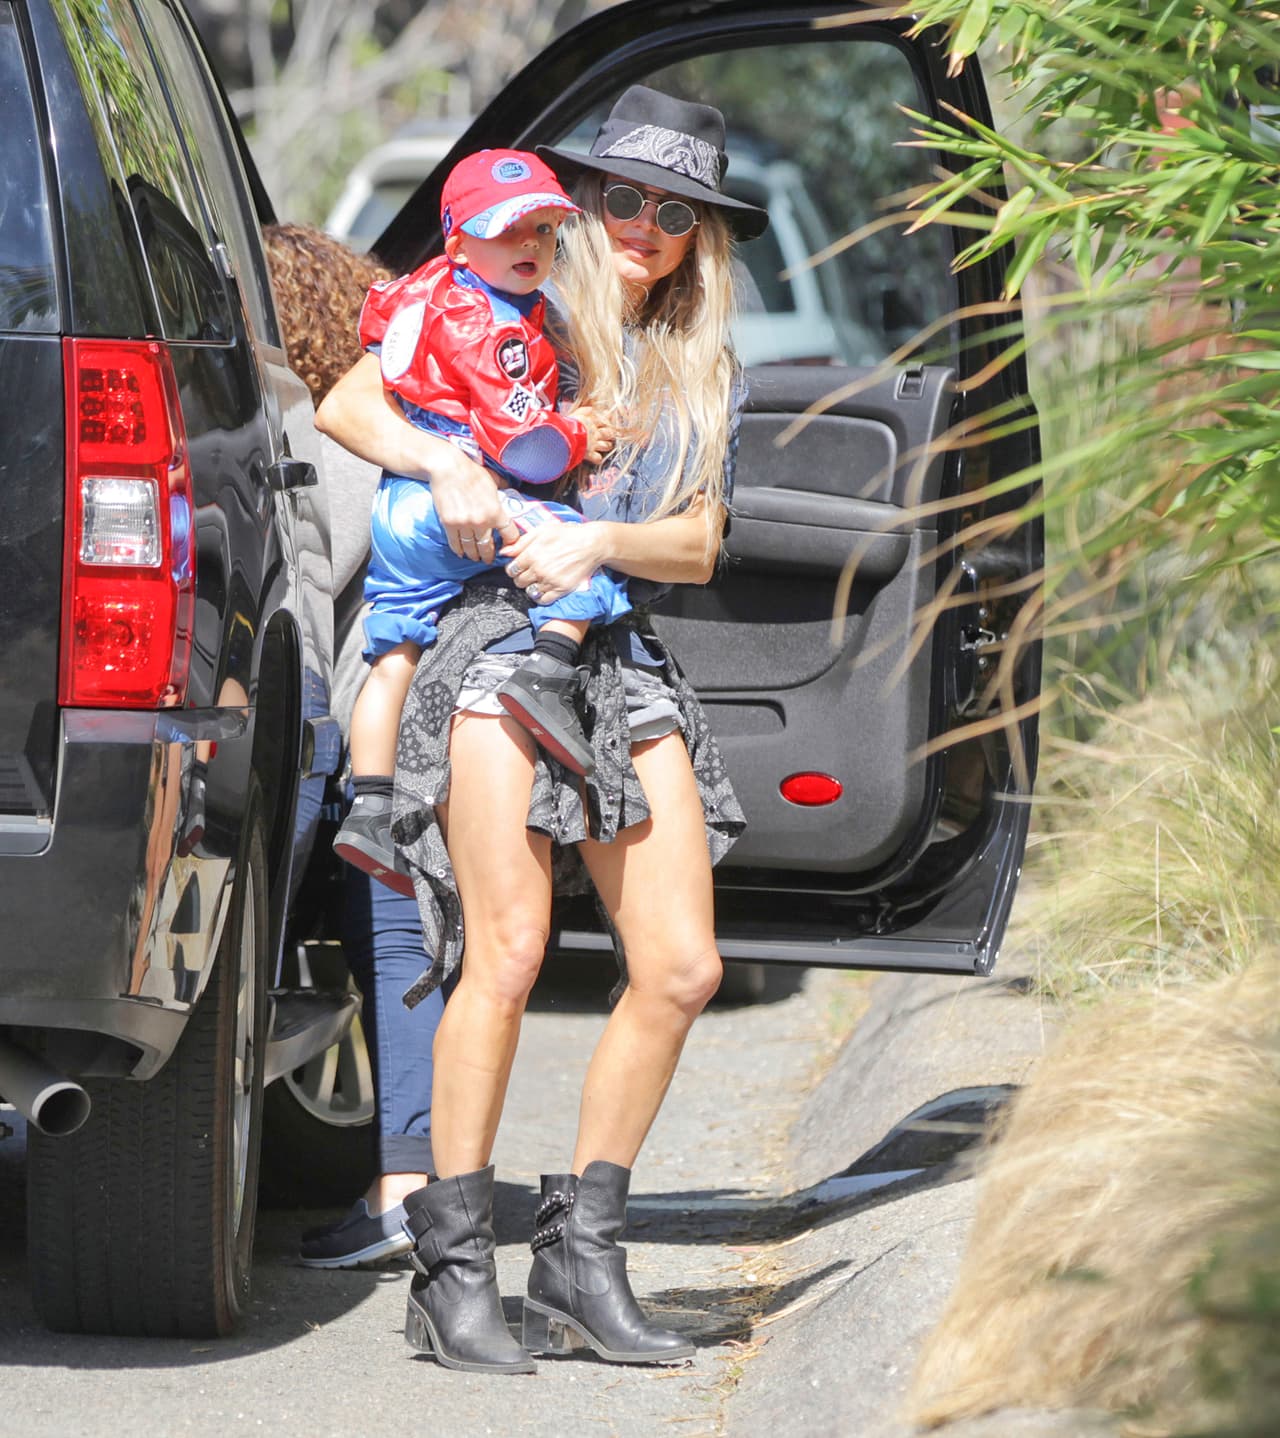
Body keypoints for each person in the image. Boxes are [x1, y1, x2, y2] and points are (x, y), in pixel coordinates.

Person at [316, 84, 769, 1375]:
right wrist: (442, 463)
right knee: (505, 953)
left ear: (698, 235)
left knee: (680, 965)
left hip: (615, 651)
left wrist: (600, 537)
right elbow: (349, 402)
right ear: (581, 203)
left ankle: (580, 1256)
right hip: (486, 643)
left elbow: (698, 541)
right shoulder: (511, 297)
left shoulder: (698, 365)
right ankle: (454, 1273)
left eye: (672, 210)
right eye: (619, 196)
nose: (640, 224)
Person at [334, 151, 629, 897]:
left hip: (399, 502)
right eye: (509, 232)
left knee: (393, 648)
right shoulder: (488, 327)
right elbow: (522, 448)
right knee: (577, 553)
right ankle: (548, 676)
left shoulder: (428, 289)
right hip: (460, 499)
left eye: (543, 229)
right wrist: (578, 435)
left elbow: (379, 337)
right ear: (460, 244)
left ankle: (368, 805)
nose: (531, 245)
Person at [262, 222, 442, 1268]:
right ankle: (418, 1177)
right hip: (422, 709)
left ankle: (406, 1183)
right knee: (401, 946)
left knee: (379, 934)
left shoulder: (301, 423)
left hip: (337, 718)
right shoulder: (406, 415)